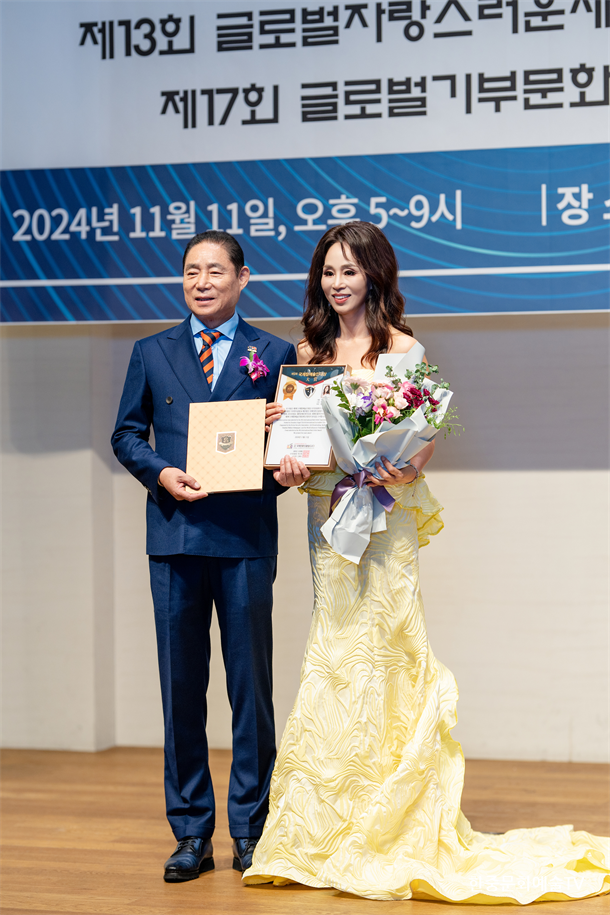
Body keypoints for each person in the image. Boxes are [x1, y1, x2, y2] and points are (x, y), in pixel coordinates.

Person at [243, 223, 610, 903]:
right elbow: (303, 453)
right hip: (328, 516)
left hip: (385, 516)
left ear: (375, 275)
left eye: (350, 270)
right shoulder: (306, 353)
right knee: (335, 653)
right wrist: (286, 457)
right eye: (328, 271)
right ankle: (326, 822)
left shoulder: (404, 348)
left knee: (391, 650)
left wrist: (398, 468)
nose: (338, 283)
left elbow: (424, 436)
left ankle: (395, 817)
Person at [111, 231, 308, 883]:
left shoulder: (274, 353)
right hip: (174, 538)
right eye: (192, 271)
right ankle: (191, 831)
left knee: (251, 689)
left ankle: (252, 829)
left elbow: (288, 450)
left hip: (245, 537)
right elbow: (126, 434)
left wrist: (288, 468)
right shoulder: (151, 351)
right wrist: (160, 472)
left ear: (242, 279)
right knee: (181, 690)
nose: (202, 281)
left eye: (215, 271)